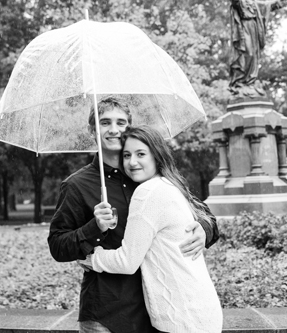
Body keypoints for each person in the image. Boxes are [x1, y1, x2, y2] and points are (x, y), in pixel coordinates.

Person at [47, 98, 219, 333]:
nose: (114, 129)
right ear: (92, 130)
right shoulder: (76, 185)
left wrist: (203, 229)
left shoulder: (146, 171)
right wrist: (93, 228)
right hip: (106, 312)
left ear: (129, 128)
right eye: (105, 122)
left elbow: (203, 213)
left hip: (154, 311)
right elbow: (57, 246)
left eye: (121, 122)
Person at [81, 125, 223, 332]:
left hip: (182, 318)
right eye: (127, 155)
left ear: (156, 156)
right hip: (200, 309)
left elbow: (127, 261)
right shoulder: (170, 185)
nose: (132, 162)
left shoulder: (147, 192)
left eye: (141, 154)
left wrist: (91, 257)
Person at [225, 0, 287, 97]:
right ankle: (240, 82)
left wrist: (279, 0)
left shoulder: (253, 1)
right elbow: (235, 0)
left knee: (254, 55)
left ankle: (249, 82)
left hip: (254, 28)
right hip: (244, 29)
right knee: (248, 53)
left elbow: (266, 5)